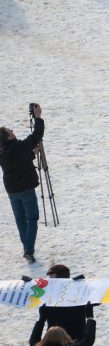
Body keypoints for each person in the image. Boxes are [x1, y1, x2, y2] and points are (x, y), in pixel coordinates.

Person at [0, 103, 44, 263]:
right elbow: (36, 136)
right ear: (9, 137)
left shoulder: (3, 152)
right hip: (26, 189)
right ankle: (29, 250)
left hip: (12, 191)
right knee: (32, 218)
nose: (13, 131)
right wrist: (38, 117)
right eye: (10, 131)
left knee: (20, 220)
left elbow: (18, 160)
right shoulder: (18, 147)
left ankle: (27, 248)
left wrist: (31, 153)